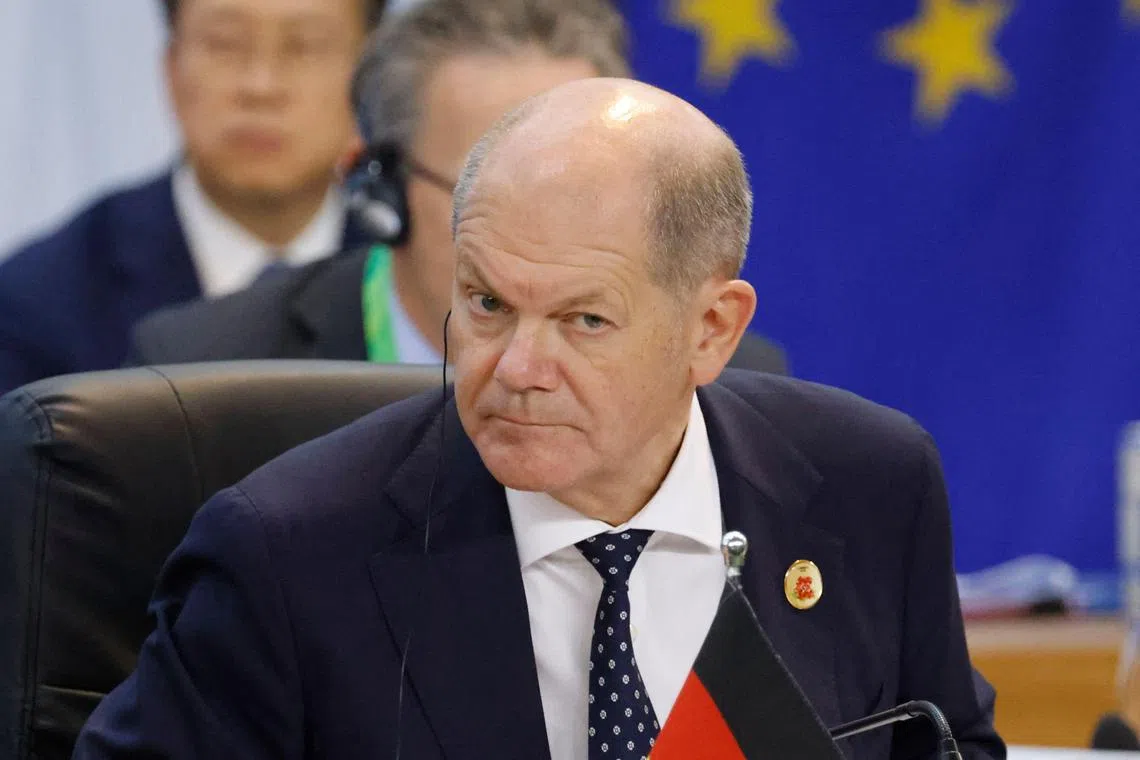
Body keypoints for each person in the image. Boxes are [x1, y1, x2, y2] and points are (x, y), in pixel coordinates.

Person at [72, 77, 1003, 759]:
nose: (515, 369)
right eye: (485, 305)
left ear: (711, 332)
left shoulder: (871, 487)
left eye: (582, 321)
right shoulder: (284, 555)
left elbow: (950, 746)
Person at [123, 0, 788, 373]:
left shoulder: (724, 376)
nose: (549, 241)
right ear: (378, 191)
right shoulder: (206, 372)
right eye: (484, 189)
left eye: (584, 191)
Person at [0, 0, 384, 395]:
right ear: (171, 69)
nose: (261, 86)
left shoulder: (420, 275)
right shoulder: (37, 304)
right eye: (225, 43)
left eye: (305, 46)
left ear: (372, 79)